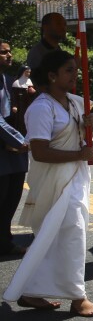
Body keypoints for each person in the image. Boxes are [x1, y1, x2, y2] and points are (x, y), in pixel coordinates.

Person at [3, 50, 93, 316]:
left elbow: (78, 135)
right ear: (51, 76)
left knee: (55, 237)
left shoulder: (73, 103)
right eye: (69, 70)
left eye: (75, 69)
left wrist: (89, 124)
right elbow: (39, 151)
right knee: (72, 233)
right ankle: (77, 297)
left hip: (74, 178)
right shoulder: (41, 107)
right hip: (54, 181)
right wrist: (79, 154)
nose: (76, 74)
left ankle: (31, 291)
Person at [0, 40, 28, 257]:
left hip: (14, 152)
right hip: (5, 148)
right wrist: (21, 140)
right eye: (3, 53)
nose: (9, 55)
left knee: (12, 197)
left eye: (10, 52)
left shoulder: (9, 81)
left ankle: (5, 240)